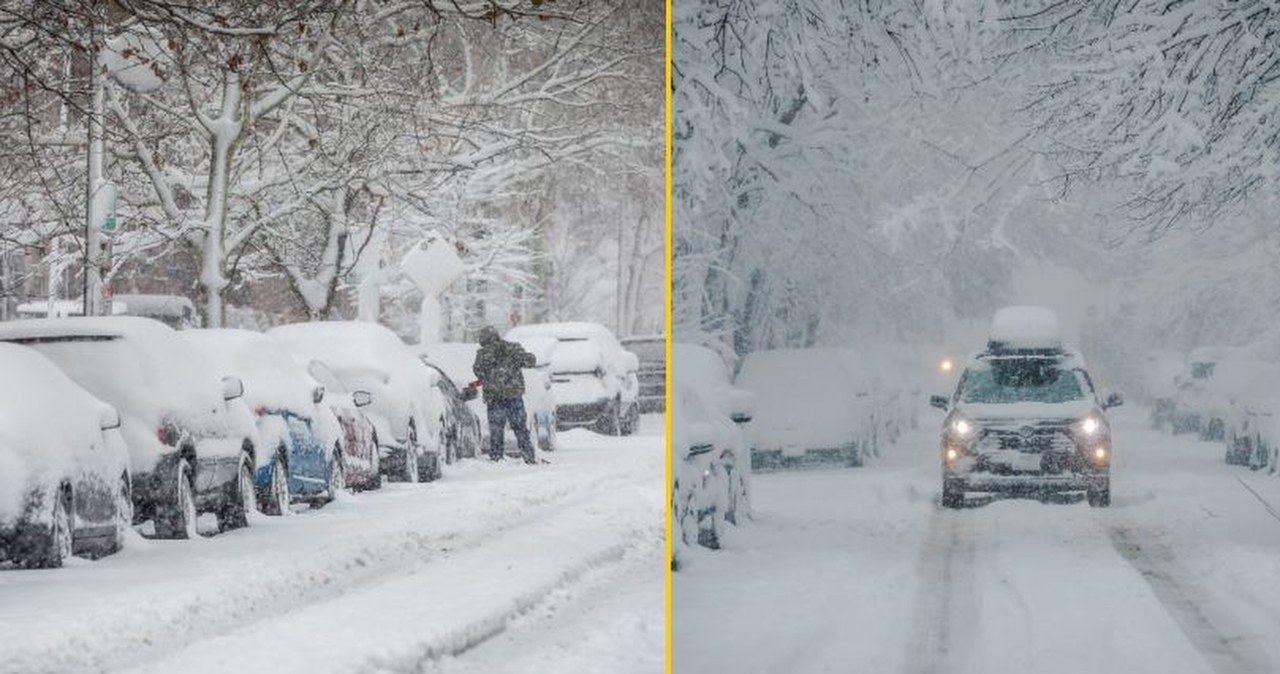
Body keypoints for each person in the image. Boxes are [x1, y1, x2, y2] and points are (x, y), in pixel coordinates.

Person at [471, 325, 537, 464]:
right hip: (514, 396)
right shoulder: (513, 348)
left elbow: (478, 372)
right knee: (520, 427)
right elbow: (529, 361)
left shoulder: (482, 354)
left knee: (496, 429)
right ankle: (528, 456)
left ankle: (496, 457)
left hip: (494, 398)